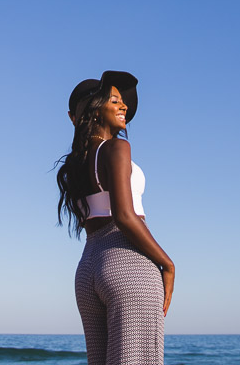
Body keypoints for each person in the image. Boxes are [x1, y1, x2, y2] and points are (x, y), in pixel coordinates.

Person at [56, 70, 174, 365]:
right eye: (115, 101)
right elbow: (123, 216)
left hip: (88, 270)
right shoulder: (116, 148)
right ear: (96, 109)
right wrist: (167, 264)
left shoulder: (74, 165)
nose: (124, 107)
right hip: (127, 262)